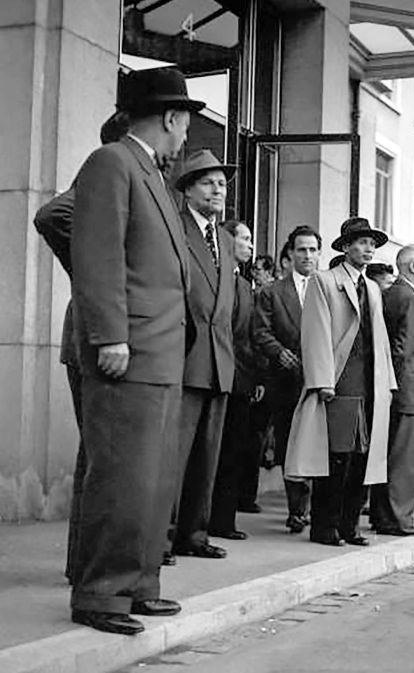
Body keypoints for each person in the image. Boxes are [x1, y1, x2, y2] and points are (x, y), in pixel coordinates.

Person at [69, 67, 203, 635]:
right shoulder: (112, 163)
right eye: (185, 122)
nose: (186, 134)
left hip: (162, 352)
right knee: (122, 476)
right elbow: (97, 255)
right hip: (131, 350)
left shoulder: (148, 171)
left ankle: (140, 583)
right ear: (171, 117)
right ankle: (101, 594)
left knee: (153, 479)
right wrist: (110, 335)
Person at [32, 110, 130, 586]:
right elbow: (51, 214)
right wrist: (94, 263)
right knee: (98, 455)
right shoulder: (104, 168)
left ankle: (94, 561)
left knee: (107, 456)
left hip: (116, 336)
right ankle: (84, 565)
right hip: (94, 336)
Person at [284, 217, 396, 547]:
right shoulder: (325, 280)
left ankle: (349, 526)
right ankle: (324, 527)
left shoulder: (373, 288)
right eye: (361, 242)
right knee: (336, 456)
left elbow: (382, 340)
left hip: (370, 382)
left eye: (372, 243)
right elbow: (315, 333)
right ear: (345, 247)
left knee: (363, 457)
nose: (369, 248)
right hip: (341, 380)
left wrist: (388, 382)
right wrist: (322, 380)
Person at [170, 149, 238, 561]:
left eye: (222, 184)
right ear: (188, 190)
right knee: (173, 457)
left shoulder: (225, 239)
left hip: (219, 361)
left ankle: (194, 534)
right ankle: (162, 537)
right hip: (185, 357)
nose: (218, 190)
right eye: (209, 182)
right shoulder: (176, 229)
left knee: (206, 457)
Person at [252, 225, 321, 534]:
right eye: (302, 249)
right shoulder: (272, 292)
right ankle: (297, 510)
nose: (307, 255)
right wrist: (279, 353)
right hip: (286, 380)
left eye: (313, 249)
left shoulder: (327, 289)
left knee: (318, 445)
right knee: (289, 444)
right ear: (290, 253)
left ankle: (316, 508)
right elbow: (260, 331)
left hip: (320, 380)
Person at [370, 245, 414, 536]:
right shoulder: (412, 299)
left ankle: (383, 516)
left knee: (389, 456)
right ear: (412, 267)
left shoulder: (390, 294)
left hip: (395, 389)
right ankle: (398, 519)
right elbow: (404, 349)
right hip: (410, 390)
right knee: (406, 461)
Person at [208, 220, 263, 538]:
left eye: (251, 240)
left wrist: (255, 376)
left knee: (233, 452)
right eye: (244, 239)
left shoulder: (245, 286)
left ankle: (223, 521)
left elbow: (250, 335)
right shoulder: (213, 277)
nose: (250, 246)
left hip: (240, 380)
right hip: (212, 375)